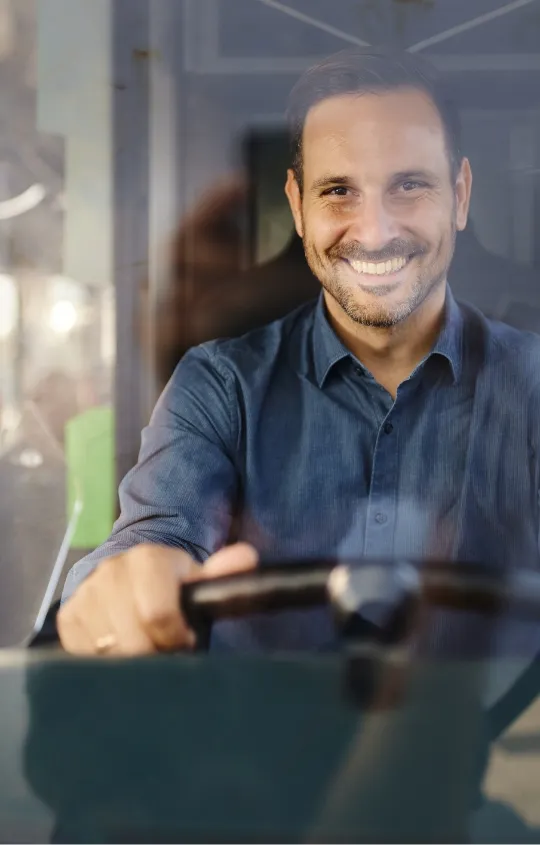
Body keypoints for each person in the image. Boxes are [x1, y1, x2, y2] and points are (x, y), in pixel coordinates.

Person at [58, 46, 540, 658]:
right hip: (255, 753)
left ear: (461, 195)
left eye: (410, 185)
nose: (374, 232)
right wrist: (126, 586)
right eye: (339, 191)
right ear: (297, 206)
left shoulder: (533, 382)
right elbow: (156, 535)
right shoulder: (220, 385)